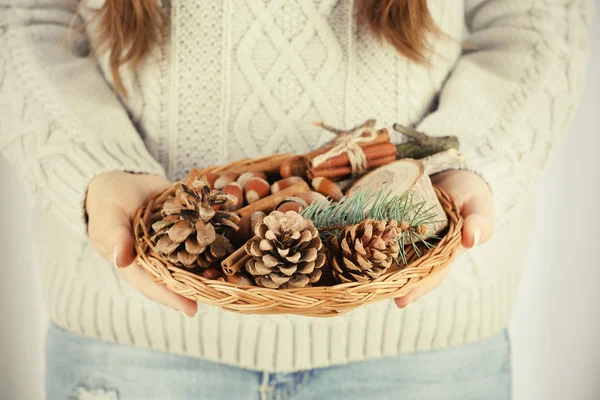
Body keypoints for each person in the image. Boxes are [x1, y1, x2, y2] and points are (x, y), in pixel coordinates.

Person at [0, 0, 591, 399]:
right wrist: (94, 168)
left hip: (424, 352)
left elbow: (536, 17)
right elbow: (25, 17)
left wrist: (473, 164)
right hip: (129, 347)